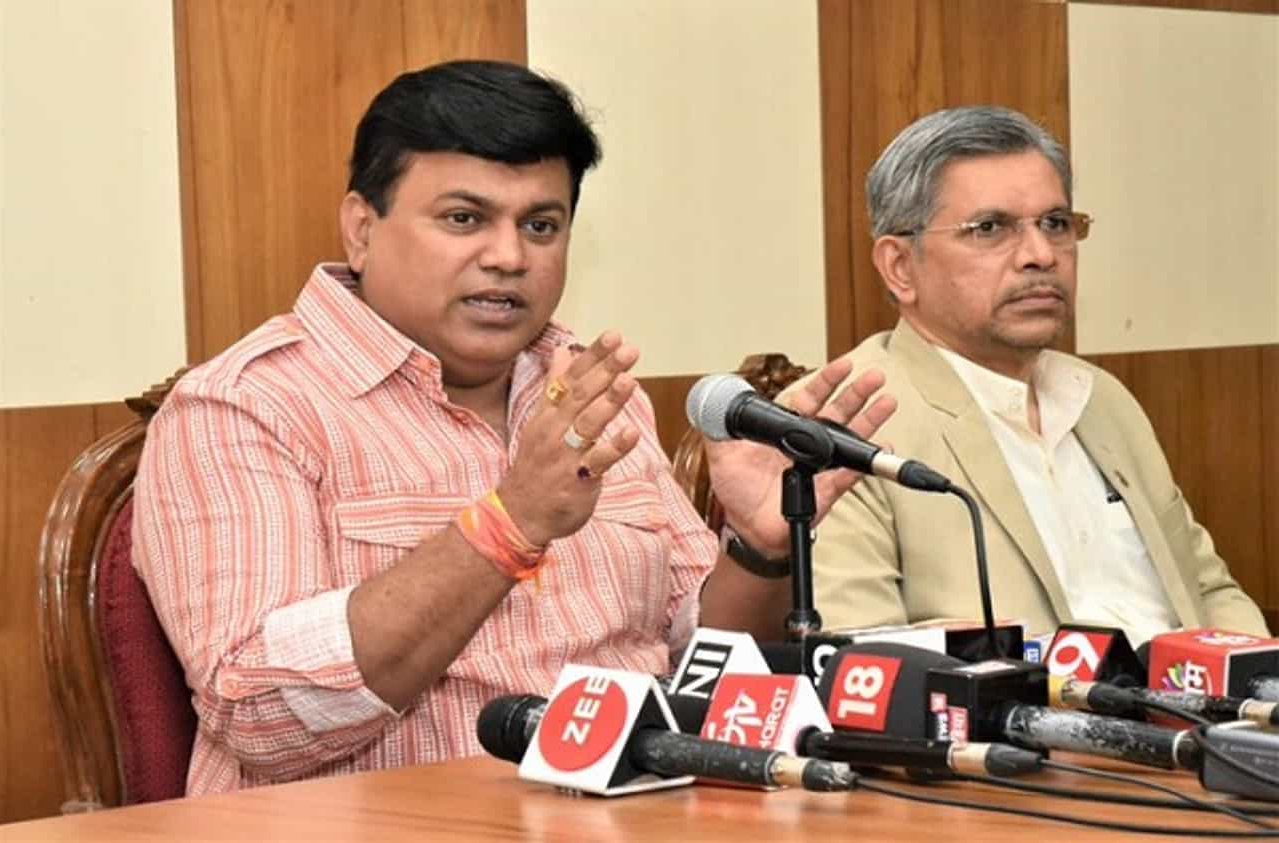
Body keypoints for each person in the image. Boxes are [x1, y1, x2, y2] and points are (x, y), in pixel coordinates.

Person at [131, 60, 895, 795]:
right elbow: (262, 718)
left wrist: (759, 550)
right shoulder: (244, 407)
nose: (509, 257)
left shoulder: (591, 391)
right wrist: (511, 522)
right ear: (361, 228)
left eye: (541, 225)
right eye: (464, 218)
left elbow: (701, 664)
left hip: (638, 811)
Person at [810, 105, 1267, 646]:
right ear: (900, 267)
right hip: (1030, 702)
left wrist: (1257, 683)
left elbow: (1207, 590)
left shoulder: (1102, 398)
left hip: (1191, 694)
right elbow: (866, 654)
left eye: (1056, 224)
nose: (1040, 255)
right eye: (989, 228)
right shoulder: (849, 423)